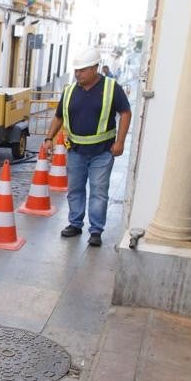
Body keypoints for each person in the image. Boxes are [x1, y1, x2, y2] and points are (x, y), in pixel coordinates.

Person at [41, 48, 131, 247]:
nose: (77, 74)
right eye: (76, 70)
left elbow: (125, 112)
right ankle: (75, 223)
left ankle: (96, 230)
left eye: (82, 70)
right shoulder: (70, 90)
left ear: (94, 68)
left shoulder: (111, 88)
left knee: (99, 191)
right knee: (75, 189)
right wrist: (49, 138)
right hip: (76, 151)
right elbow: (59, 116)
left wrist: (120, 142)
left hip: (102, 152)